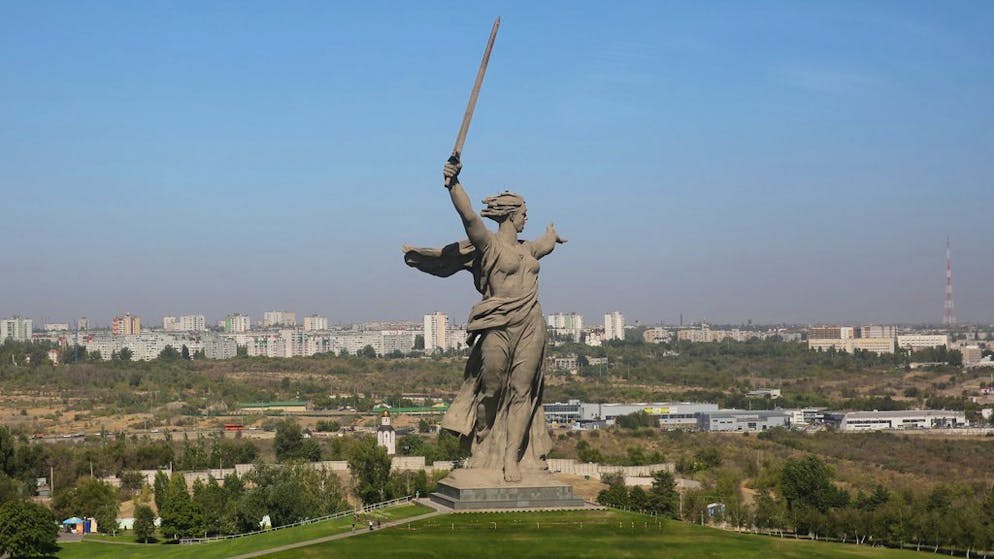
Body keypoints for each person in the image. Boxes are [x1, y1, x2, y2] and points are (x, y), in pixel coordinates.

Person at [404, 155, 566, 482]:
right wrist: (454, 183)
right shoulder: (490, 246)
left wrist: (552, 235)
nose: (525, 220)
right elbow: (468, 216)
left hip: (531, 323)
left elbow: (545, 245)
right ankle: (483, 439)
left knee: (522, 391)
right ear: (509, 215)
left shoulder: (528, 250)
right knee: (492, 388)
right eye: (523, 215)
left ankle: (511, 459)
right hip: (497, 324)